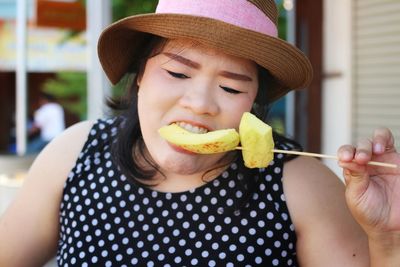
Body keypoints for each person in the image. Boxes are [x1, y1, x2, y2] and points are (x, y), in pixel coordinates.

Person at [0, 0, 399, 266]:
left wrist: (388, 238)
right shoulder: (75, 152)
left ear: (254, 101)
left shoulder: (302, 182)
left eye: (231, 87)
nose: (201, 102)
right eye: (176, 72)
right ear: (140, 77)